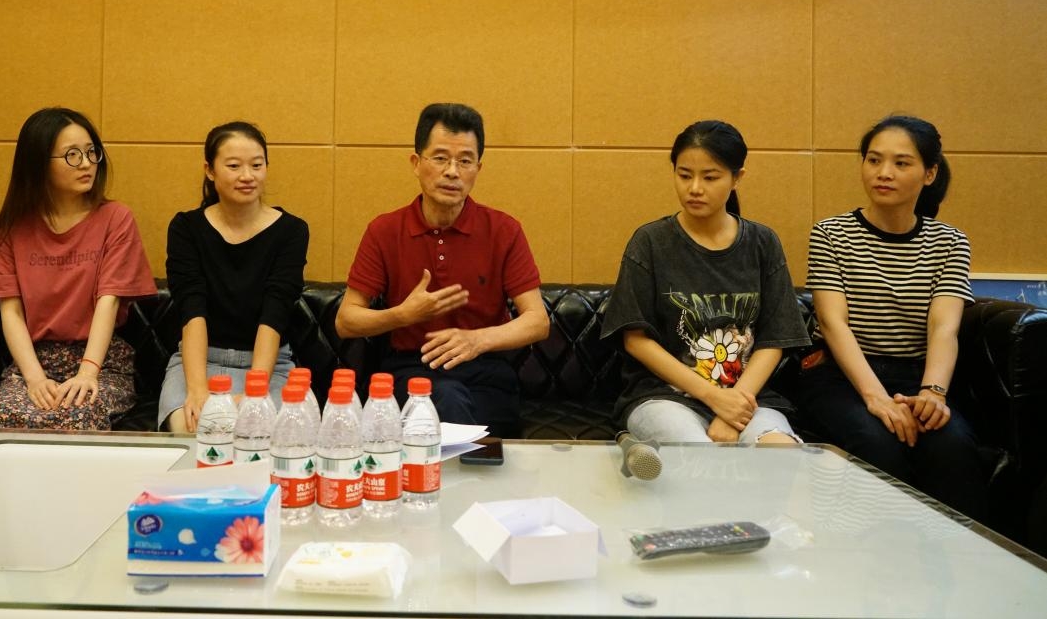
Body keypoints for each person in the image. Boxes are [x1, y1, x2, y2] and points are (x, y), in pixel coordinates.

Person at [799, 115, 987, 519]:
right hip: (841, 375)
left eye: (901, 163)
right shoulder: (831, 233)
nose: (883, 173)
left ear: (929, 173)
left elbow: (944, 327)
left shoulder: (950, 242)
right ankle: (874, 553)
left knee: (952, 446)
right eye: (874, 160)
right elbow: (833, 323)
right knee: (878, 441)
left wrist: (933, 393)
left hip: (916, 375)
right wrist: (876, 398)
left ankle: (954, 551)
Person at [335, 103, 548, 436]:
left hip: (485, 371)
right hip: (411, 368)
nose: (452, 171)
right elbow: (346, 321)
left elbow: (538, 321)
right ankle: (469, 461)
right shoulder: (385, 230)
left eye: (465, 161)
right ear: (416, 163)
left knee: (454, 404)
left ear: (478, 168)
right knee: (443, 400)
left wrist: (477, 340)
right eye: (440, 158)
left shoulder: (504, 230)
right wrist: (403, 315)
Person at [601, 120, 809, 445]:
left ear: (737, 177)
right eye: (684, 175)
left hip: (748, 399)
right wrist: (713, 397)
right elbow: (636, 341)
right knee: (698, 454)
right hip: (664, 398)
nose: (695, 188)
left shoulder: (763, 243)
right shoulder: (650, 242)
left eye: (710, 177)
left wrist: (733, 405)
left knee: (780, 450)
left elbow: (775, 339)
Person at [0, 107, 156, 431]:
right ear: (38, 162)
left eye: (91, 152)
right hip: (33, 362)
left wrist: (88, 372)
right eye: (72, 155)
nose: (86, 163)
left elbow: (108, 301)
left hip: (101, 361)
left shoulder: (115, 218)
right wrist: (35, 378)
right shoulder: (12, 228)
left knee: (74, 418)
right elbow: (11, 313)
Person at [159, 121, 309, 432]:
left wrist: (255, 390)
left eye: (256, 165)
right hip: (200, 362)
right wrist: (197, 391)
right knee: (191, 428)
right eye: (233, 166)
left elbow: (275, 312)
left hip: (269, 365)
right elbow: (192, 308)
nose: (247, 176)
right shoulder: (186, 228)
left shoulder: (291, 231)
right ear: (210, 170)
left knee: (260, 430)